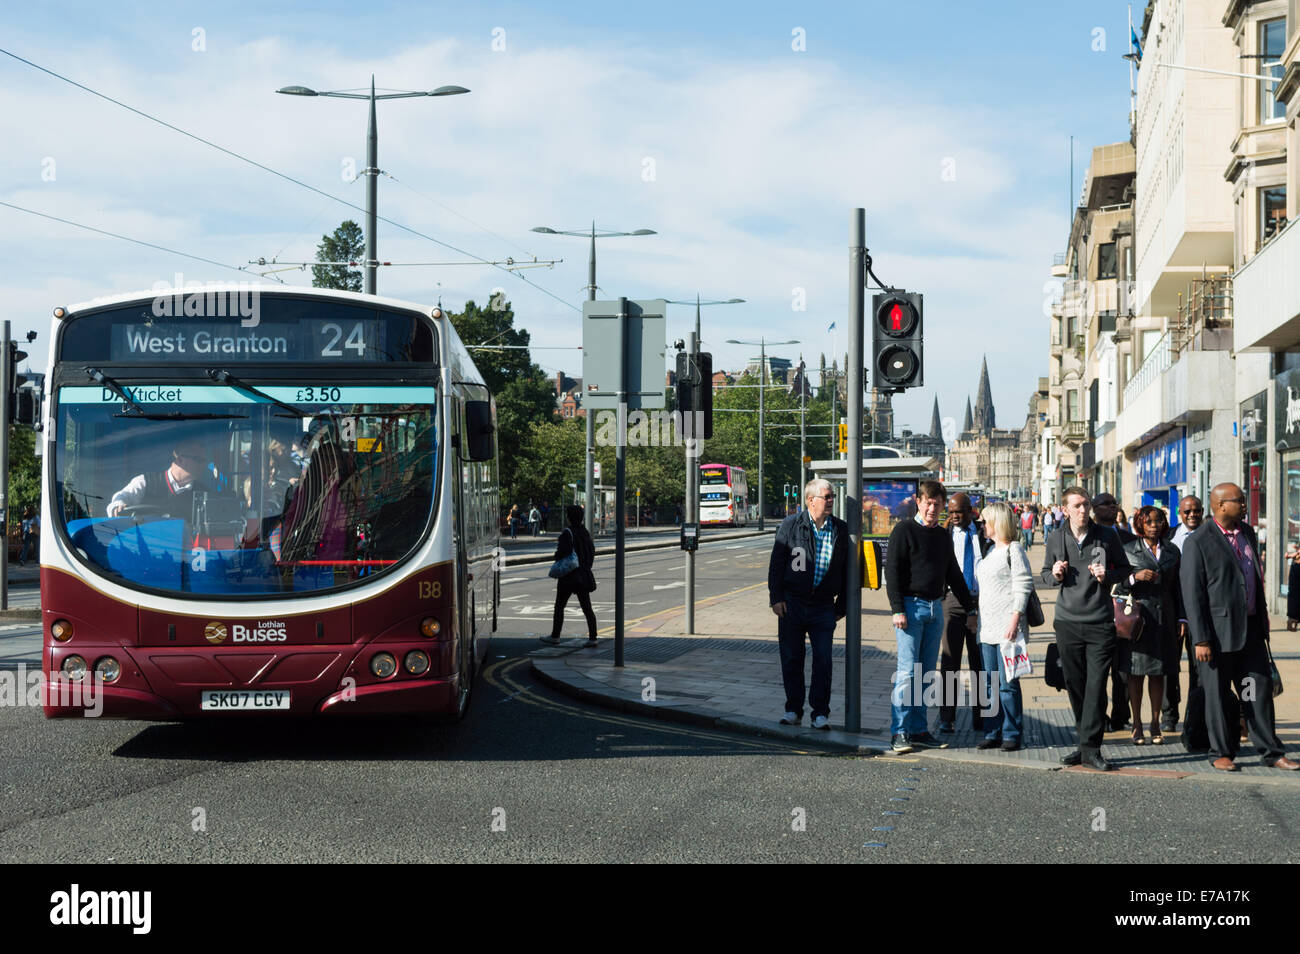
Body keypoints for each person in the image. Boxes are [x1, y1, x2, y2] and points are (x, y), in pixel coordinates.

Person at [1180, 483, 1298, 771]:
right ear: (1220, 506)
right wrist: (1202, 639)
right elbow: (1192, 594)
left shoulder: (1247, 533)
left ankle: (1271, 751)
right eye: (1239, 500)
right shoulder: (1199, 541)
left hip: (1251, 635)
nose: (1245, 505)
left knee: (1254, 693)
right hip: (1217, 640)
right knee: (1218, 697)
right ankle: (1221, 751)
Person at [1041, 487, 1132, 771]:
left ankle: (1092, 748)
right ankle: (1083, 745)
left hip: (1100, 623)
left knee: (1096, 687)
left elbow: (1125, 569)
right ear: (1064, 509)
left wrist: (1109, 576)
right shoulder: (1056, 537)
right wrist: (1055, 574)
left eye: (1086, 505)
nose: (1084, 510)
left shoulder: (1107, 535)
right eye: (1077, 506)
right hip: (1067, 622)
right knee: (1076, 686)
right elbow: (1045, 575)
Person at [885, 480, 976, 753]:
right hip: (911, 609)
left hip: (936, 608)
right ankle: (899, 732)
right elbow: (893, 571)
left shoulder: (941, 536)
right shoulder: (903, 530)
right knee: (907, 672)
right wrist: (897, 608)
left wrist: (970, 608)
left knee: (924, 674)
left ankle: (919, 729)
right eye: (928, 503)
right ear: (918, 501)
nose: (932, 508)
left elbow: (954, 574)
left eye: (937, 504)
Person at [767, 478, 850, 730]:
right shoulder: (791, 526)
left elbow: (847, 571)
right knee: (792, 658)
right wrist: (776, 598)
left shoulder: (840, 529)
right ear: (810, 500)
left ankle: (820, 713)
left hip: (823, 606)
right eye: (827, 497)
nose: (831, 501)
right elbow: (777, 564)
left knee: (823, 661)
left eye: (832, 496)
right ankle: (793, 709)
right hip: (792, 603)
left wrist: (842, 606)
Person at [1113, 506, 1185, 745]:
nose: (1154, 526)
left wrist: (1182, 618)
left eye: (1159, 521)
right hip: (1138, 620)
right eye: (1149, 522)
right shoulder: (1128, 550)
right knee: (1135, 673)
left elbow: (1179, 590)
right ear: (1140, 524)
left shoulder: (1173, 551)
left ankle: (1155, 723)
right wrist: (1135, 577)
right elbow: (1117, 586)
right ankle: (1136, 723)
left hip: (1165, 618)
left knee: (1158, 674)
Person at [974, 502, 1033, 751]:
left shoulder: (1014, 549)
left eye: (985, 521)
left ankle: (1011, 732)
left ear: (996, 523)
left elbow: (1024, 585)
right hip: (986, 627)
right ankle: (993, 730)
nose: (982, 526)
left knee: (1007, 683)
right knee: (989, 682)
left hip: (1007, 627)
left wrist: (1015, 620)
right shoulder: (989, 551)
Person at [938, 492, 989, 734]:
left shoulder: (984, 532)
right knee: (950, 661)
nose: (954, 516)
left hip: (982, 603)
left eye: (959, 512)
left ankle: (982, 717)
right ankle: (946, 718)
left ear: (971, 511)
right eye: (951, 512)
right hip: (953, 601)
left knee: (980, 662)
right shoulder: (944, 534)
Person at [1091, 491, 1135, 732]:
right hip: (1097, 609)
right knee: (1099, 670)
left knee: (1123, 669)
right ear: (1094, 509)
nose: (1111, 507)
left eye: (1113, 503)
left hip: (1124, 609)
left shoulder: (1128, 538)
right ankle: (1100, 717)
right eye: (1105, 504)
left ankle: (1120, 715)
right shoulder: (1090, 537)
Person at [107, 436, 215, 518]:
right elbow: (121, 498)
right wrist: (118, 507)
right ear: (180, 460)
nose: (203, 465)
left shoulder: (205, 494)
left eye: (204, 461)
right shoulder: (145, 482)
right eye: (198, 460)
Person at [539, 506, 598, 647]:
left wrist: (556, 556)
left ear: (569, 518)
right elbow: (592, 551)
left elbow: (562, 552)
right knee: (587, 607)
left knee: (559, 606)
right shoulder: (585, 532)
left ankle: (555, 636)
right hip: (583, 574)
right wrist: (586, 566)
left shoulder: (568, 532)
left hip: (569, 575)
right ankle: (593, 637)